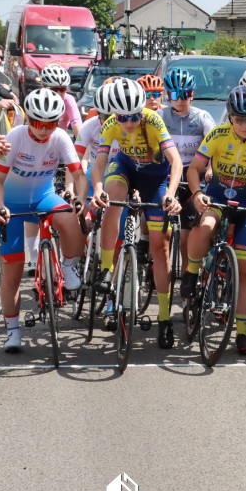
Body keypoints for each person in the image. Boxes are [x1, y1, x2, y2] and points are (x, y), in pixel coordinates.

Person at [182, 86, 246, 355]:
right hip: (217, 194)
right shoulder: (217, 134)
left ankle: (242, 332)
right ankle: (191, 273)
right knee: (206, 226)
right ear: (231, 118)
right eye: (239, 120)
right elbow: (195, 169)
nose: (245, 126)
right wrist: (197, 193)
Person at [0, 90, 87, 353]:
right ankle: (12, 331)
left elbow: (79, 176)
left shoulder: (60, 138)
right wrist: (0, 207)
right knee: (14, 271)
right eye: (38, 123)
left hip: (44, 197)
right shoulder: (16, 136)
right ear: (29, 119)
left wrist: (80, 198)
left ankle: (67, 267)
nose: (44, 130)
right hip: (10, 203)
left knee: (70, 219)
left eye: (51, 124)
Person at [91, 78, 183, 349]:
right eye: (122, 117)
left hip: (154, 179)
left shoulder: (154, 120)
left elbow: (176, 161)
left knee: (160, 247)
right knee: (112, 199)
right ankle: (107, 269)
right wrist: (98, 189)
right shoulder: (110, 125)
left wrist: (171, 194)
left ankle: (164, 319)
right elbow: (99, 165)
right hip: (126, 169)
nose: (128, 123)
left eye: (133, 116)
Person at [159, 68, 216, 270]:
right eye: (175, 95)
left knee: (185, 238)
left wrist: (210, 168)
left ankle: (187, 278)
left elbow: (214, 147)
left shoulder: (203, 118)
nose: (180, 100)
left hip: (194, 175)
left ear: (192, 95)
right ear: (168, 96)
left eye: (185, 94)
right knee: (156, 229)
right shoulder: (160, 116)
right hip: (168, 174)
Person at [37, 64, 81, 136]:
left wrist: (80, 143)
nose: (58, 93)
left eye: (62, 89)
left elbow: (76, 122)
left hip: (58, 140)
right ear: (43, 87)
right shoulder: (36, 99)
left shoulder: (68, 99)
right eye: (54, 89)